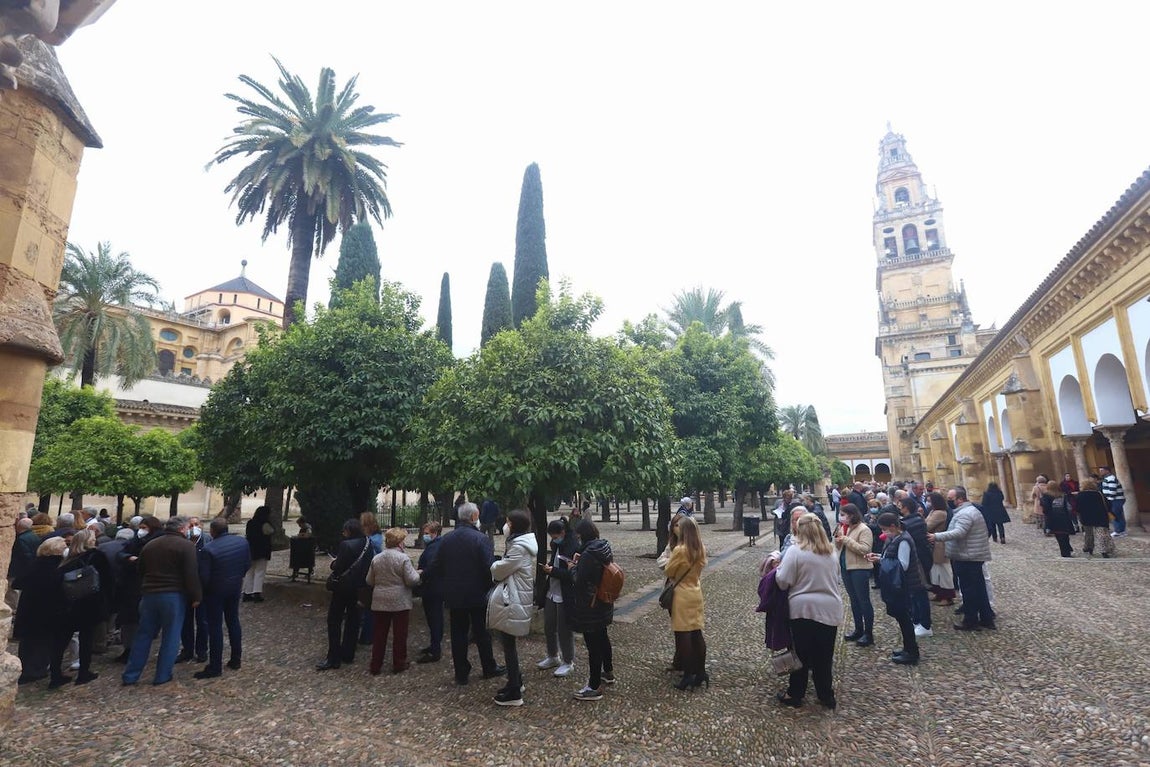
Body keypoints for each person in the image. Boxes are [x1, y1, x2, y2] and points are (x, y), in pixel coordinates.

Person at [122, 516, 202, 687]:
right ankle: (162, 675)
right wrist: (196, 596)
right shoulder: (186, 546)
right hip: (173, 595)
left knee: (143, 635)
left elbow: (141, 569)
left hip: (149, 594)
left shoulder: (151, 545)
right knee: (171, 636)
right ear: (182, 529)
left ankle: (131, 675)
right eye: (188, 527)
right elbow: (191, 574)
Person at [774, 513, 843, 709]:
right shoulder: (831, 552)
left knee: (801, 655)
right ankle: (825, 695)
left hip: (802, 609)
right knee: (824, 655)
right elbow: (836, 578)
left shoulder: (796, 552)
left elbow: (783, 580)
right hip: (829, 609)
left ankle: (795, 693)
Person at [439, 502, 502, 685]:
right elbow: (488, 567)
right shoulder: (481, 539)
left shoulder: (447, 538)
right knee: (482, 632)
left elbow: (439, 564)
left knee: (458, 634)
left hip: (454, 593)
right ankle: (488, 667)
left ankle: (461, 673)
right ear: (474, 517)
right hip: (477, 594)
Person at [487, 509, 537, 706]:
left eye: (508, 521)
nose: (505, 525)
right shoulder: (520, 543)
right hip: (516, 594)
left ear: (514, 525)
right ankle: (516, 680)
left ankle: (515, 691)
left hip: (514, 597)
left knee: (508, 643)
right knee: (508, 642)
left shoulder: (518, 546)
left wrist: (494, 564)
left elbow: (502, 570)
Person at [927, 487, 994, 631]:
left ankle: (970, 621)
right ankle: (986, 617)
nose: (949, 501)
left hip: (967, 557)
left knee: (969, 590)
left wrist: (937, 536)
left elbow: (959, 532)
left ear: (960, 499)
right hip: (971, 555)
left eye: (951, 499)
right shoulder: (968, 511)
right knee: (979, 589)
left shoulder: (965, 513)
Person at [564, 520, 616, 701]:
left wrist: (572, 568)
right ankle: (607, 672)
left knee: (593, 645)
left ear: (582, 535)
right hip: (603, 600)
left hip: (590, 605)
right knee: (602, 637)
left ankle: (593, 686)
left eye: (578, 535)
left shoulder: (588, 554)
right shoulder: (603, 547)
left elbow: (579, 579)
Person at [194, 517, 251, 679]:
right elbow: (247, 564)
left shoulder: (208, 549)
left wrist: (201, 593)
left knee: (215, 627)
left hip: (215, 592)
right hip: (234, 587)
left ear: (212, 531)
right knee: (233, 621)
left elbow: (204, 577)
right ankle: (236, 658)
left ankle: (215, 666)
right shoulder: (242, 543)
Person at [55, 529, 112, 686]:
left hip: (69, 604)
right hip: (90, 603)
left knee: (61, 640)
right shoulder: (97, 556)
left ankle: (55, 674)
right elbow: (107, 580)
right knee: (86, 639)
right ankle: (83, 672)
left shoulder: (67, 559)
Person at [317, 519, 373, 671]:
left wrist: (334, 563)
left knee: (334, 620)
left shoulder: (346, 545)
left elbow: (338, 566)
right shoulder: (367, 543)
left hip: (343, 587)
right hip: (360, 586)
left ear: (349, 531)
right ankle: (348, 653)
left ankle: (333, 657)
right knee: (353, 620)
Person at [365, 528, 421, 677]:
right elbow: (412, 580)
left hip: (380, 600)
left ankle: (375, 664)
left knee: (379, 634)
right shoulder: (403, 559)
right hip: (399, 601)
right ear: (399, 542)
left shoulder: (377, 558)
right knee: (400, 634)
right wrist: (418, 574)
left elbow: (369, 580)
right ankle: (399, 663)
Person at [871, 512, 925, 665]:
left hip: (904, 584)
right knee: (902, 619)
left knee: (905, 619)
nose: (883, 532)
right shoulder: (895, 538)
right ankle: (907, 648)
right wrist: (878, 556)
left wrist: (880, 561)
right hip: (898, 584)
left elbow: (903, 564)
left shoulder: (904, 540)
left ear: (893, 526)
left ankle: (911, 651)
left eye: (884, 529)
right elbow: (889, 556)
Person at [13, 537, 68, 686]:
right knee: (43, 641)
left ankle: (26, 668)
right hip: (47, 609)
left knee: (28, 641)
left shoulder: (34, 564)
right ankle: (37, 669)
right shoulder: (58, 567)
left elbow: (18, 582)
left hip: (29, 607)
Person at [664, 515, 708, 691]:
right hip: (696, 591)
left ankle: (688, 675)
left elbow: (669, 570)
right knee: (697, 633)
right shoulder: (700, 548)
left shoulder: (680, 550)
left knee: (684, 635)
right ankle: (701, 672)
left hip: (682, 593)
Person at [536, 517, 577, 678]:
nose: (553, 540)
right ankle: (553, 655)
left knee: (564, 629)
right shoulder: (556, 545)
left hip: (565, 592)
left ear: (562, 532)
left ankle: (568, 661)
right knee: (549, 625)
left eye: (555, 536)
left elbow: (571, 574)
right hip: (552, 590)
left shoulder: (573, 546)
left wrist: (552, 571)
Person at [833, 504, 874, 647]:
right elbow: (840, 548)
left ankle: (868, 633)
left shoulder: (864, 529)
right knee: (854, 600)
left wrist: (845, 539)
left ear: (852, 515)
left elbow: (865, 549)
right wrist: (838, 540)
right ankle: (858, 629)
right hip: (846, 567)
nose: (841, 517)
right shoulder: (846, 528)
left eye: (844, 514)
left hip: (859, 568)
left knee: (863, 601)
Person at [896, 496, 934, 639]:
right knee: (914, 592)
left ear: (906, 507)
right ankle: (917, 620)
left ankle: (925, 624)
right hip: (917, 559)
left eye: (901, 505)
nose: (899, 507)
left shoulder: (911, 523)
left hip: (918, 561)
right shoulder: (914, 519)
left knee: (919, 592)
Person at [178, 516, 208, 664]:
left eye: (196, 524)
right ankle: (187, 649)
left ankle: (202, 650)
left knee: (203, 621)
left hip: (203, 589)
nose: (194, 527)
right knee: (185, 621)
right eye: (191, 525)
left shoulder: (208, 541)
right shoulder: (183, 542)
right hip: (185, 589)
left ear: (201, 526)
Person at [415, 521, 445, 663]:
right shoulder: (436, 545)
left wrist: (422, 573)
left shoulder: (434, 547)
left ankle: (435, 650)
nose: (425, 536)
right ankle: (434, 645)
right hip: (436, 586)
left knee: (434, 618)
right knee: (435, 617)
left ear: (435, 533)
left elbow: (432, 567)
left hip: (432, 587)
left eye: (427, 533)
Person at [357, 512, 384, 646]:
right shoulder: (372, 538)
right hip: (367, 573)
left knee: (368, 605)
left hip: (370, 573)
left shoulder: (373, 540)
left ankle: (367, 635)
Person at [925, 497, 956, 606]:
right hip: (934, 543)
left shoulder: (940, 513)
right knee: (935, 570)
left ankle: (947, 596)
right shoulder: (934, 511)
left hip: (940, 543)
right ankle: (938, 593)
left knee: (944, 570)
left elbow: (927, 526)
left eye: (930, 500)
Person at [1076, 479, 1115, 558]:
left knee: (1088, 534)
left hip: (1086, 517)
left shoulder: (1080, 495)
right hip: (1100, 516)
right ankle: (1104, 551)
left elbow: (1077, 507)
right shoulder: (1099, 494)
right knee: (1101, 534)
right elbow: (1108, 504)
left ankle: (1089, 548)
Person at [242, 506, 273, 602]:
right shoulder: (265, 524)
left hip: (250, 550)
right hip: (262, 550)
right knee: (260, 572)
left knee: (249, 572)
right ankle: (257, 593)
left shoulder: (250, 523)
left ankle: (247, 592)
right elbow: (271, 531)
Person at [1041, 483, 1076, 558]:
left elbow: (1046, 509)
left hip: (1053, 518)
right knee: (1065, 535)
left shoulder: (1046, 496)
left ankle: (1065, 552)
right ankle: (1067, 548)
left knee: (1059, 536)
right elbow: (1068, 507)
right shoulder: (1063, 495)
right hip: (1064, 518)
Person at [1099, 465, 1127, 537]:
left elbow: (1112, 491)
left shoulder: (1111, 478)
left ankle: (1118, 530)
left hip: (1115, 499)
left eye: (1102, 470)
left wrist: (1108, 500)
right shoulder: (1106, 478)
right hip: (1114, 499)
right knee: (1118, 515)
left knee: (1114, 515)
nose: (1100, 472)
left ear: (1107, 471)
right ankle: (1122, 530)